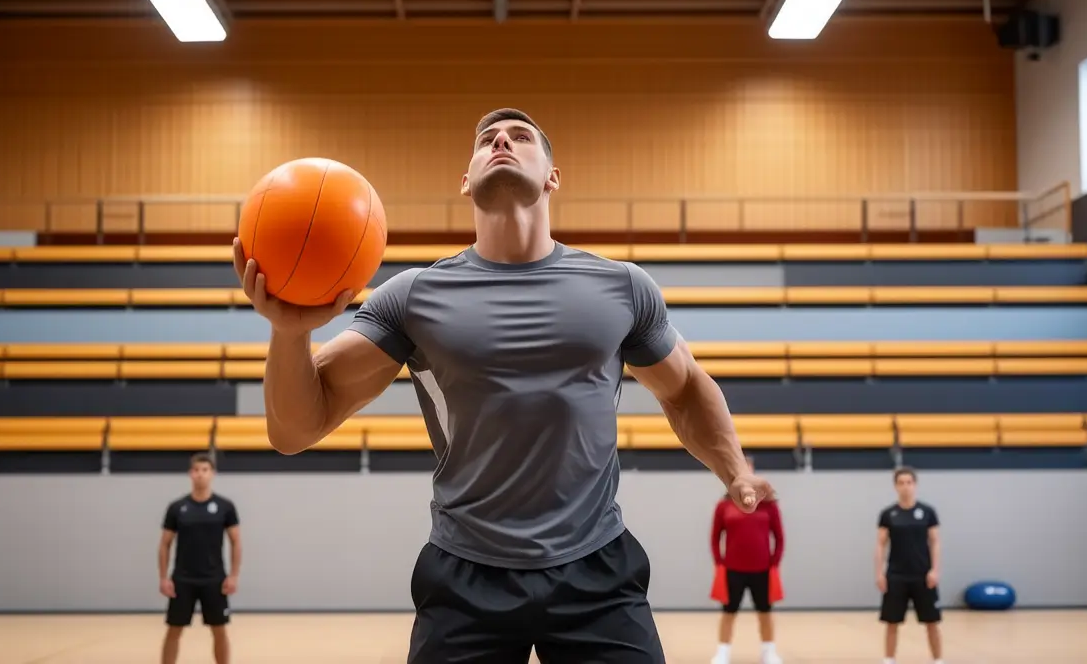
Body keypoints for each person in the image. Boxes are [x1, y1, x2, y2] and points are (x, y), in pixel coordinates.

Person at [232, 107, 773, 663]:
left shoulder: (621, 286)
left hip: (596, 568)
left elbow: (685, 390)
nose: (501, 142)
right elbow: (296, 428)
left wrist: (734, 467)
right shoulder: (413, 296)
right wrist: (288, 333)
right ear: (466, 181)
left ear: (552, 177)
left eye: (520, 137)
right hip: (466, 576)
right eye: (487, 139)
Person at [159, 452, 241, 664]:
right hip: (182, 580)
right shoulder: (177, 508)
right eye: (196, 470)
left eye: (205, 470)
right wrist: (164, 578)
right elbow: (165, 544)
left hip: (214, 579)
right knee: (174, 631)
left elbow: (236, 542)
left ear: (212, 473)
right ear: (190, 474)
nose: (200, 474)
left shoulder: (225, 507)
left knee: (219, 630)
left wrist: (233, 575)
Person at [710, 457, 784, 664]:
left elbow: (779, 537)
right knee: (728, 613)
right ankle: (722, 653)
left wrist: (774, 563)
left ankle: (768, 652)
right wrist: (719, 563)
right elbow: (715, 537)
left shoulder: (769, 506)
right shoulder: (724, 506)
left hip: (763, 569)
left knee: (765, 612)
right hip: (733, 569)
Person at [875, 466, 942, 664]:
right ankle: (889, 659)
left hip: (923, 575)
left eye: (909, 483)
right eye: (901, 483)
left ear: (915, 485)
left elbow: (935, 542)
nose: (905, 487)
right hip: (896, 576)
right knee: (892, 622)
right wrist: (879, 573)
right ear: (896, 486)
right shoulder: (888, 514)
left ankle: (938, 660)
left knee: (931, 621)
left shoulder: (928, 512)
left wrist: (935, 570)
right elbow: (880, 544)